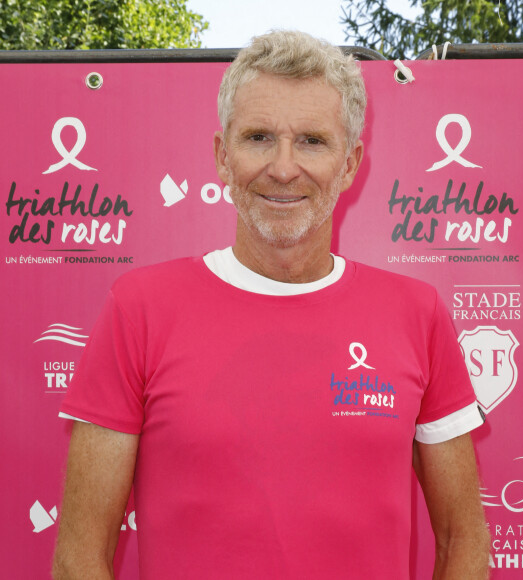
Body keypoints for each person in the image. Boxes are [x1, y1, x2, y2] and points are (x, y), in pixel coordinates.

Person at [52, 30, 490, 579]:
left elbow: (463, 542)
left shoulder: (418, 313)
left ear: (350, 164)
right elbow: (78, 560)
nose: (283, 168)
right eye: (259, 137)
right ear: (221, 156)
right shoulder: (137, 308)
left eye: (312, 141)